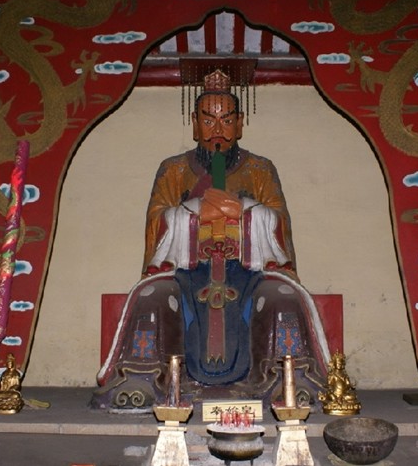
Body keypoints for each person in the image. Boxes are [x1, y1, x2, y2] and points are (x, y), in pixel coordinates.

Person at [92, 70, 331, 410]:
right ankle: (143, 377)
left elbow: (279, 219)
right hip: (187, 270)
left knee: (283, 299)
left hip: (249, 270)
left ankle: (287, 380)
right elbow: (157, 218)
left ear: (240, 124)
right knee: (152, 298)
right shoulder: (173, 170)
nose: (218, 129)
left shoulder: (260, 169)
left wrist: (245, 209)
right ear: (194, 124)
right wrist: (193, 212)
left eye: (227, 120)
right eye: (208, 120)